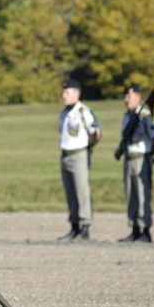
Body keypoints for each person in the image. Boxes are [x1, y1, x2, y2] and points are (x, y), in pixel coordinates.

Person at [116, 83, 154, 242]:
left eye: (130, 95)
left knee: (143, 195)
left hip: (141, 158)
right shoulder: (127, 116)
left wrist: (150, 154)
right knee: (131, 195)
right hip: (129, 158)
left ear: (138, 97)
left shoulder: (145, 115)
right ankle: (135, 228)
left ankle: (145, 230)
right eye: (125, 96)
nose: (127, 99)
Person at [58, 79, 100, 241]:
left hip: (79, 154)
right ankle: (74, 225)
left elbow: (96, 131)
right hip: (66, 154)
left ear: (76, 93)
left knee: (82, 191)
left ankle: (84, 225)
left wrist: (88, 147)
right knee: (70, 191)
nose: (64, 95)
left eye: (67, 92)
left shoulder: (83, 111)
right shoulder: (64, 113)